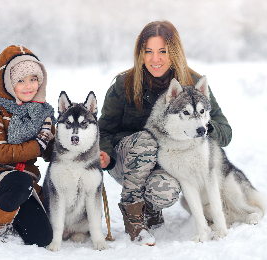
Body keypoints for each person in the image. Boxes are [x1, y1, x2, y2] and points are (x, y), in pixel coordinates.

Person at [98, 21, 232, 245]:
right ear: (140, 53)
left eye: (162, 51)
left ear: (174, 52)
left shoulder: (193, 83)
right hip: (127, 160)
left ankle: (151, 207)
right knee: (146, 141)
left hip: (166, 164)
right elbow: (104, 130)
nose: (155, 58)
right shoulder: (124, 85)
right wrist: (106, 153)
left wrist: (202, 126)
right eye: (148, 51)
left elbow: (225, 132)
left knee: (166, 191)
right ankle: (134, 217)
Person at [0, 45, 56, 247]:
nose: (29, 86)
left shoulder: (41, 113)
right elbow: (0, 153)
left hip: (26, 184)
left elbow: (53, 153)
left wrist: (70, 139)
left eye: (33, 79)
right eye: (20, 80)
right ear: (7, 82)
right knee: (19, 181)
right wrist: (38, 143)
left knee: (42, 238)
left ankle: (14, 215)